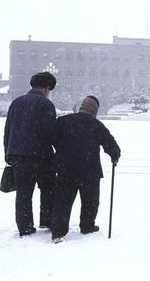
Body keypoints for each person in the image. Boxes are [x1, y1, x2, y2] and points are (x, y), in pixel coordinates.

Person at [50, 95, 121, 243]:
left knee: (63, 201)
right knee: (90, 200)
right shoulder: (96, 125)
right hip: (90, 170)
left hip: (66, 169)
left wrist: (62, 151)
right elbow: (110, 143)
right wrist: (114, 155)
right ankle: (87, 225)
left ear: (82, 106)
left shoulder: (64, 121)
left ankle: (58, 231)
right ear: (94, 110)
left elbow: (51, 138)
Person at [3, 71, 57, 237]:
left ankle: (25, 227)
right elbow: (51, 132)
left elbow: (8, 130)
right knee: (48, 189)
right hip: (41, 156)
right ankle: (47, 220)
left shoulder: (16, 103)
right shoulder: (46, 104)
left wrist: (9, 153)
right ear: (47, 88)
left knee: (23, 194)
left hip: (18, 156)